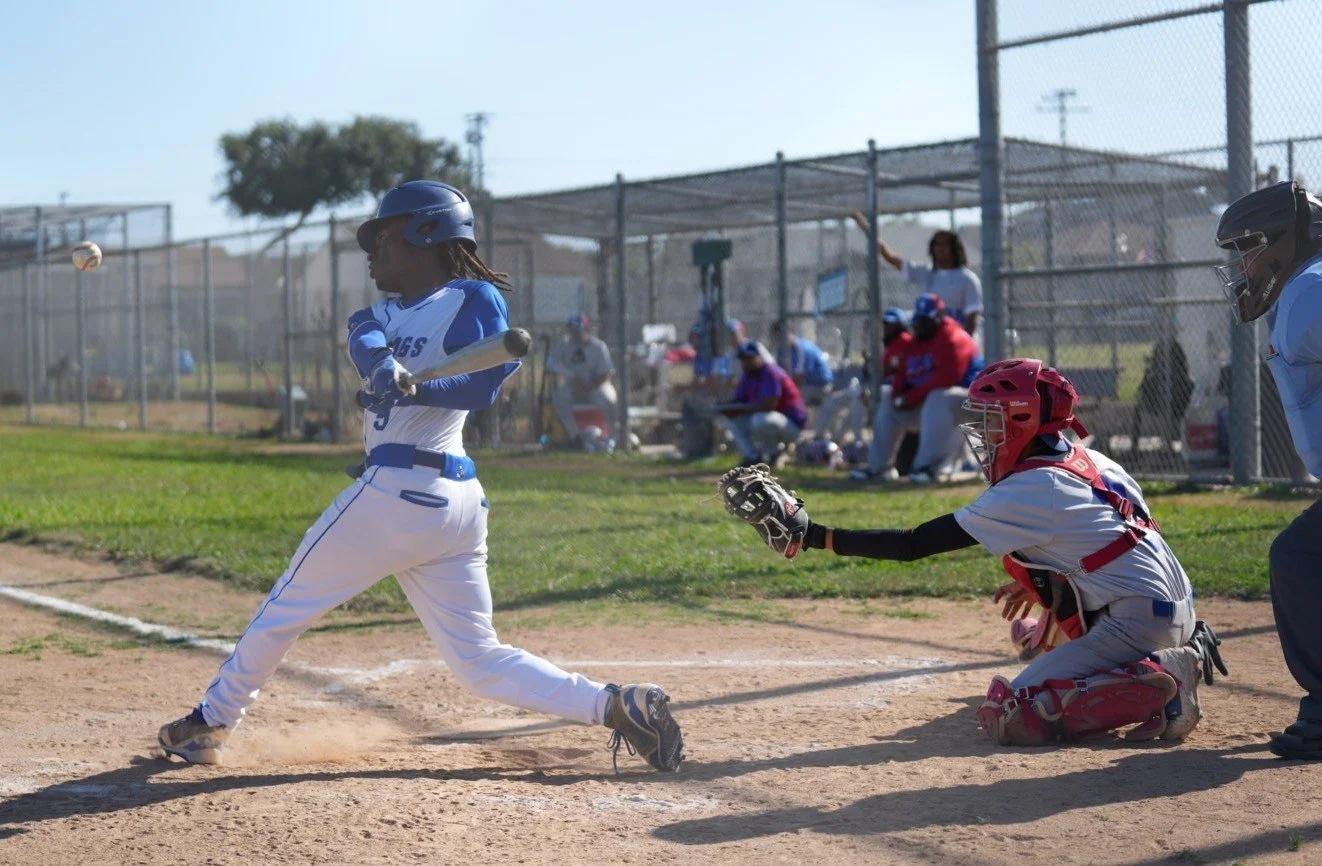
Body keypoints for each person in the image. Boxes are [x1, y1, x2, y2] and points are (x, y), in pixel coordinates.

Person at [156, 180, 683, 774]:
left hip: (402, 493)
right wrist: (385, 367)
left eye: (384, 237)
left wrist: (419, 382)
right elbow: (366, 339)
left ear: (426, 233)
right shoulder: (373, 313)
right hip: (444, 507)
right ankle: (618, 706)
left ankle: (212, 721)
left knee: (285, 605)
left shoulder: (472, 299)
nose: (373, 253)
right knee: (479, 660)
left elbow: (486, 382)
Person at [723, 359, 1227, 747]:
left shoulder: (1030, 488)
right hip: (1175, 607)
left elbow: (913, 544)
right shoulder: (1091, 458)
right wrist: (1044, 579)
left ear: (1024, 421)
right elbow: (1113, 541)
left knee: (1013, 714)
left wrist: (813, 534)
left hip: (1139, 622)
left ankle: (1163, 675)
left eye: (993, 421)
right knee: (1035, 627)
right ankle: (1175, 652)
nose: (983, 435)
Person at [1215, 180, 1322, 760]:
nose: (1244, 266)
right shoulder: (1304, 292)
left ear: (1281, 242)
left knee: (1301, 558)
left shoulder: (1310, 288)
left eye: (1249, 249)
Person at [850, 293, 978, 483]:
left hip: (972, 402)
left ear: (938, 318)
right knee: (888, 400)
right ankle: (879, 468)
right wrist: (899, 395)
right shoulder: (920, 339)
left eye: (925, 321)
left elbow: (946, 379)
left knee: (938, 397)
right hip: (931, 406)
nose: (919, 325)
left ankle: (928, 468)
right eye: (918, 320)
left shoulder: (954, 338)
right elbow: (905, 370)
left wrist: (910, 397)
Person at [852, 211, 983, 338]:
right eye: (936, 244)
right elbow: (891, 258)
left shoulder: (968, 279)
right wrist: (866, 227)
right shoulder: (926, 272)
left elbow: (972, 320)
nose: (939, 248)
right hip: (931, 343)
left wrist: (960, 345)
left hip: (955, 343)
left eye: (945, 244)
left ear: (955, 249)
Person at [813, 307, 910, 445]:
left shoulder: (904, 342)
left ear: (900, 326)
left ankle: (858, 441)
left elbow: (894, 372)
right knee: (834, 399)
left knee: (859, 396)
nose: (888, 327)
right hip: (875, 386)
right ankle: (823, 438)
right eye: (886, 324)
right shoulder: (889, 344)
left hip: (893, 389)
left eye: (891, 324)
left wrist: (876, 368)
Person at [715, 340, 808, 466]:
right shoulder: (749, 375)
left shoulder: (772, 373)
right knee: (733, 420)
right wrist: (725, 408)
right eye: (743, 359)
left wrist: (738, 409)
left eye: (749, 358)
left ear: (760, 357)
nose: (745, 362)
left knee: (760, 419)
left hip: (792, 425)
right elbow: (739, 400)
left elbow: (769, 405)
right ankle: (753, 457)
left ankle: (772, 454)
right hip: (770, 420)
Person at [546, 314, 617, 447]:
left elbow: (605, 375)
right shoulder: (565, 344)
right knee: (560, 398)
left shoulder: (598, 346)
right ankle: (576, 438)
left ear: (587, 330)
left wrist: (587, 388)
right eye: (572, 330)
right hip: (574, 386)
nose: (575, 334)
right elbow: (551, 362)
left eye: (579, 331)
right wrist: (571, 375)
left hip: (597, 386)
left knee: (609, 400)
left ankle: (613, 438)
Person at [769, 320, 834, 404]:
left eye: (782, 336)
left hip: (821, 386)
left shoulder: (803, 348)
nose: (779, 340)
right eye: (777, 337)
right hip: (805, 385)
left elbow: (799, 377)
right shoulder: (781, 350)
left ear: (790, 333)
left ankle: (797, 416)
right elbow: (780, 373)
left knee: (785, 397)